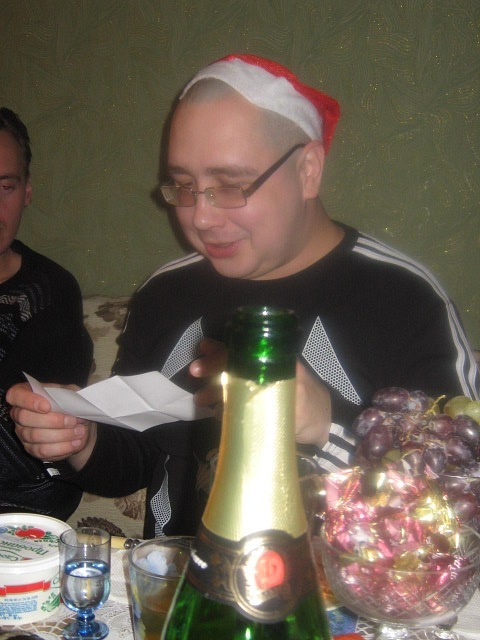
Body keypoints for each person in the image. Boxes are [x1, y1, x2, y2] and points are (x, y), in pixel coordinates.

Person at [7, 55, 479, 538]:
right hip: (184, 576)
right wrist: (81, 438)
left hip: (341, 582)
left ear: (308, 170)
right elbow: (138, 459)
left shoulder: (403, 298)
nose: (200, 217)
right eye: (185, 186)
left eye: (230, 186)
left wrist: (328, 426)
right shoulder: (168, 293)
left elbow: (460, 500)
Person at [0, 107, 92, 519]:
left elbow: (34, 446)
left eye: (5, 186)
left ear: (27, 193)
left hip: (20, 518)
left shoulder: (47, 292)